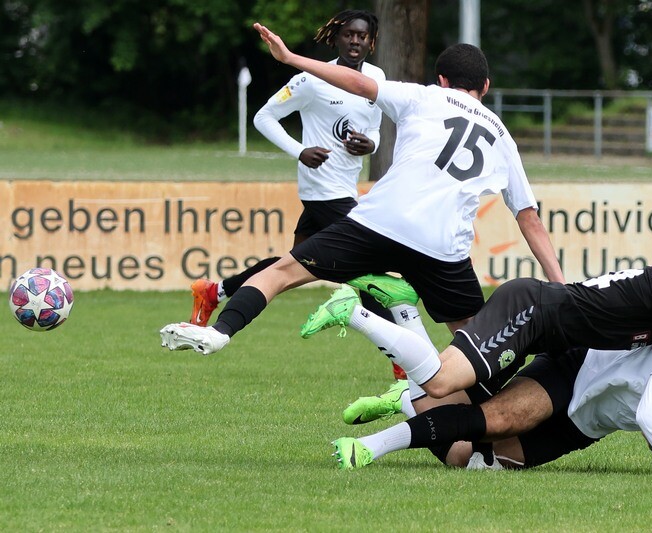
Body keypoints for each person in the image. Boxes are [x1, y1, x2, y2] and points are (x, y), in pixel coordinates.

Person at [159, 27, 565, 360]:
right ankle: (474, 407)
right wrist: (562, 290)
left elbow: (356, 82)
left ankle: (220, 331)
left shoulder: (424, 95)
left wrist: (292, 58)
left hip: (381, 221)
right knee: (476, 343)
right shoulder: (502, 135)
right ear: (486, 86)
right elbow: (528, 218)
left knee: (281, 273)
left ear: (441, 80)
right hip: (443, 246)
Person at [297, 225, 652, 409]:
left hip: (541, 331)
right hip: (531, 313)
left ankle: (399, 399)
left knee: (462, 394)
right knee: (444, 382)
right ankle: (364, 311)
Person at [185, 9, 406, 379]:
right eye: (348, 34)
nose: (355, 41)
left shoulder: (377, 78)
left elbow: (374, 129)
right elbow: (263, 117)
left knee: (288, 268)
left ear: (372, 42)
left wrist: (371, 144)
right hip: (323, 191)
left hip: (342, 188)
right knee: (369, 271)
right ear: (336, 39)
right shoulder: (311, 80)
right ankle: (402, 360)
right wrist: (299, 150)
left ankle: (214, 292)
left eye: (362, 36)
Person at [330, 337, 652, 477]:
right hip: (578, 373)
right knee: (494, 420)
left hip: (587, 424)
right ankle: (370, 445)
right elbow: (651, 416)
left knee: (471, 461)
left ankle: (412, 400)